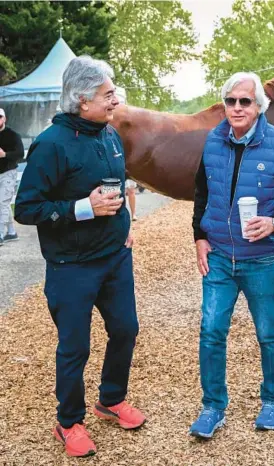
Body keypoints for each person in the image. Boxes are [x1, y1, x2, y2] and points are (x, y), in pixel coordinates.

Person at [15, 56, 145, 458]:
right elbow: (26, 209)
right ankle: (68, 422)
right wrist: (81, 208)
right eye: (108, 95)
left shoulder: (109, 134)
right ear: (82, 99)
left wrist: (126, 228)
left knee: (126, 330)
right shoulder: (50, 145)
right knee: (75, 348)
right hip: (72, 267)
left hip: (114, 258)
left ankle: (110, 399)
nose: (115, 101)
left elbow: (120, 190)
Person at [191, 72, 274, 438]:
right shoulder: (213, 141)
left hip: (261, 260)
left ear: (259, 106)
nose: (238, 107)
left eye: (245, 101)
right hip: (219, 258)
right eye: (231, 101)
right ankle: (213, 407)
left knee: (268, 332)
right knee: (211, 331)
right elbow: (201, 193)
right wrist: (198, 236)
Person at [0, 108, 24, 246]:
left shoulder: (13, 135)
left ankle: (1, 234)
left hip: (8, 173)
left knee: (2, 203)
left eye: (0, 117)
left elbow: (20, 154)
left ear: (4, 119)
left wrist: (5, 155)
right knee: (3, 203)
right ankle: (11, 232)